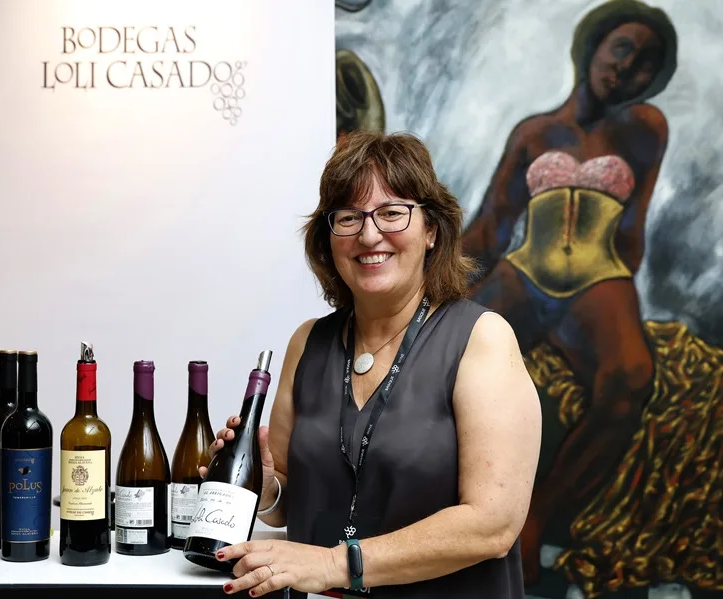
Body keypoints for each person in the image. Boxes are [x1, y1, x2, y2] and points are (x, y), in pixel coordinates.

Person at [201, 131, 542, 598]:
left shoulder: (482, 339)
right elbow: (285, 500)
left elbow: (493, 524)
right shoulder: (308, 343)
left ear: (431, 230)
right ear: (328, 239)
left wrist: (334, 564)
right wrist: (262, 488)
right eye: (349, 217)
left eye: (391, 213)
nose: (368, 234)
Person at [460, 0, 676, 581]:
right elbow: (491, 229)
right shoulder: (533, 132)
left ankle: (537, 517)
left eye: (646, 62)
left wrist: (616, 306)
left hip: (598, 279)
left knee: (632, 377)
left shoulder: (646, 129)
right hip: (525, 274)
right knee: (449, 354)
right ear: (593, 47)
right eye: (622, 49)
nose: (628, 68)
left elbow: (633, 228)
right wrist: (442, 289)